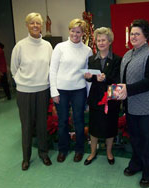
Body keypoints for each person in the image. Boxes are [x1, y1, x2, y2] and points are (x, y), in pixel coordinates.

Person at [117, 19, 149, 187]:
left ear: (146, 36)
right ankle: (137, 164)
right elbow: (124, 79)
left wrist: (128, 89)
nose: (133, 37)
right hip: (133, 107)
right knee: (136, 138)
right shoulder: (128, 54)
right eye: (131, 33)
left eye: (137, 34)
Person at [10, 12, 53, 171]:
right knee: (27, 126)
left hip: (43, 90)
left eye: (38, 23)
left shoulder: (47, 46)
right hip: (24, 92)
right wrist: (22, 83)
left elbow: (51, 67)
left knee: (42, 124)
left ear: (41, 26)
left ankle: (43, 153)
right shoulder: (20, 46)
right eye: (32, 23)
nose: (35, 26)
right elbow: (14, 69)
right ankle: (26, 158)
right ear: (27, 25)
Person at [49, 18, 92, 163]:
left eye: (78, 31)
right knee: (62, 122)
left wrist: (89, 94)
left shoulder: (87, 50)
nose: (75, 34)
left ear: (83, 33)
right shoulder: (60, 47)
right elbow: (53, 70)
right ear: (69, 31)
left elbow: (87, 74)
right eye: (73, 30)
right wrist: (53, 92)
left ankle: (79, 149)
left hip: (79, 90)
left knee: (79, 121)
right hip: (61, 90)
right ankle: (63, 149)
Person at [83, 27, 121, 166]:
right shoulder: (91, 59)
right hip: (95, 98)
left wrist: (105, 78)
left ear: (109, 41)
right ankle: (92, 153)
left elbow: (118, 78)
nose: (101, 42)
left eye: (104, 40)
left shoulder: (117, 59)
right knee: (94, 127)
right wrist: (88, 77)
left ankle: (109, 153)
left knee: (110, 127)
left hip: (111, 99)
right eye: (98, 40)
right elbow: (90, 79)